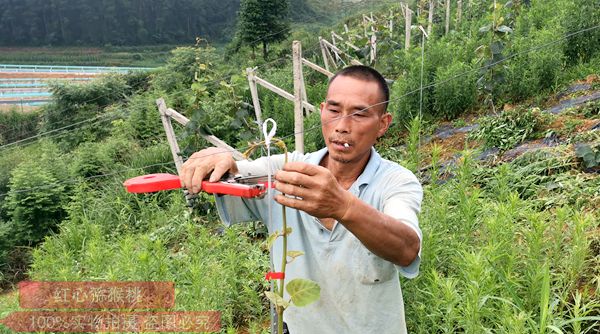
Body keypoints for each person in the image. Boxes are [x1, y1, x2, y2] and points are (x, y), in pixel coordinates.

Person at [180, 65, 423, 333]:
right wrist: (218, 159)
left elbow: (406, 249)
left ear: (382, 124)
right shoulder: (286, 169)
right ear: (321, 111)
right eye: (333, 110)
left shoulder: (396, 181)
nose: (342, 126)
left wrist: (342, 205)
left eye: (360, 114)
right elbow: (237, 175)